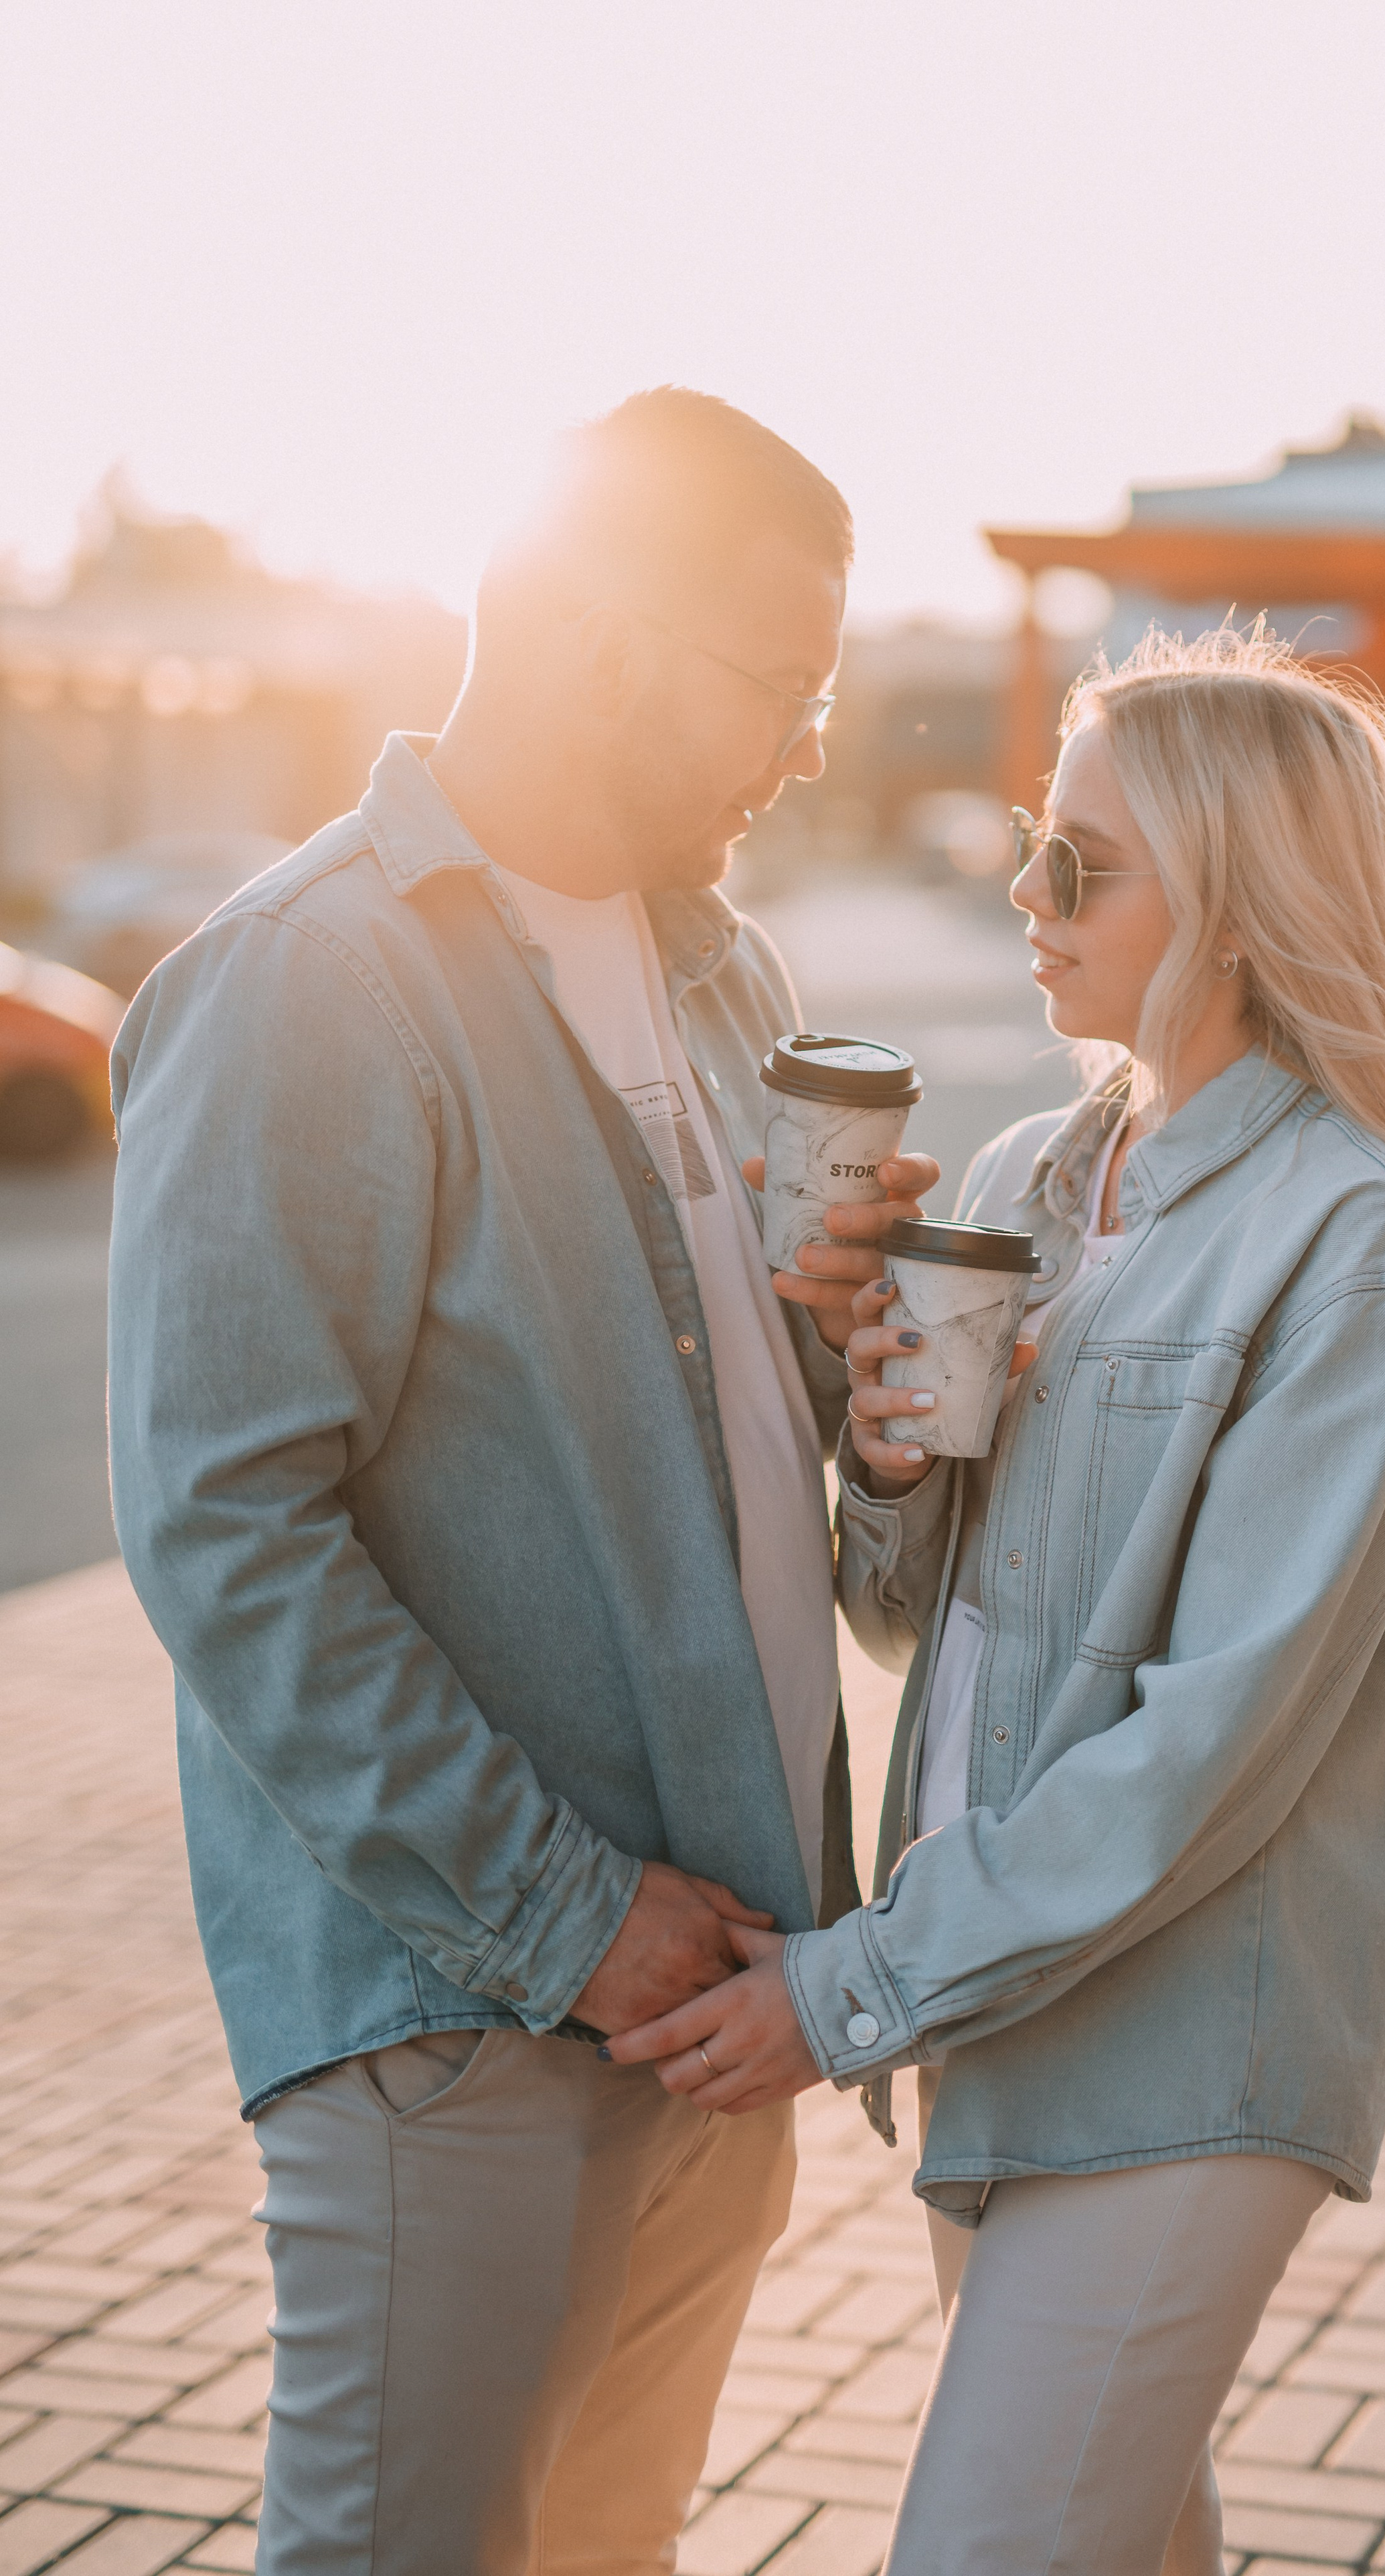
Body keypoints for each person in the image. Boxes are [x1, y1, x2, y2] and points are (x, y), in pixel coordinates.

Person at [604, 626, 1385, 2574]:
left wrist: (840, 1993)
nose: (1026, 897)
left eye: (1083, 866)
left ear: (1246, 899)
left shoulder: (1352, 1245)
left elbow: (1208, 1747)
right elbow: (908, 1622)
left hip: (1185, 2047)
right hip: (1007, 2011)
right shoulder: (1038, 1179)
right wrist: (884, 1454)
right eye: (1036, 845)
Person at [106, 388, 939, 2573]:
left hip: (724, 1986)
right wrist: (572, 1923)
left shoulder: (725, 975)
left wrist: (868, 1365)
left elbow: (774, 1491)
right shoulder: (310, 982)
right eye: (781, 683)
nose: (810, 744)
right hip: (468, 2016)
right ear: (591, 635)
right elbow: (226, 1537)